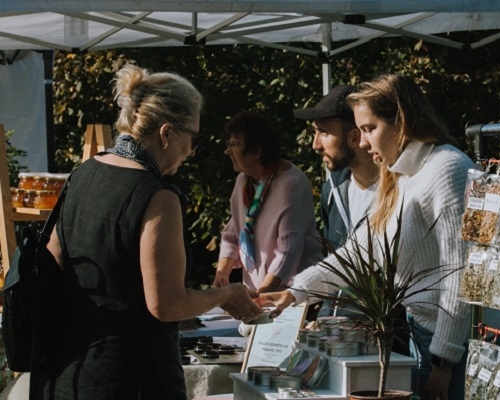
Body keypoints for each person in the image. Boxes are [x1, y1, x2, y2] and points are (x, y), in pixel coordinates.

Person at [259, 74, 500, 400]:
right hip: (426, 337)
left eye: (369, 128)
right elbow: (361, 252)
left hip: (464, 344)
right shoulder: (400, 175)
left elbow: (461, 274)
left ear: (401, 122)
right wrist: (295, 292)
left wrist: (444, 361)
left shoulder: (447, 168)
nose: (361, 141)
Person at [32, 64, 263, 400]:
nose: (191, 151)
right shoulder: (158, 196)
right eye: (192, 138)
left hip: (68, 370)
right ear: (167, 133)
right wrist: (225, 296)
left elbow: (53, 262)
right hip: (131, 377)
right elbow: (167, 304)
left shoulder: (81, 175)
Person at [213, 110, 323, 294]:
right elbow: (234, 230)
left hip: (294, 296)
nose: (227, 151)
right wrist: (222, 272)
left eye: (234, 145)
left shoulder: (291, 184)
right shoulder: (244, 181)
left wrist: (262, 296)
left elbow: (288, 251)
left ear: (257, 151)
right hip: (261, 293)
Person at [294, 85, 379, 318]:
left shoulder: (398, 192)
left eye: (323, 132)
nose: (315, 144)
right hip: (339, 333)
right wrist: (324, 320)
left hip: (391, 339)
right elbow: (331, 262)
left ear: (354, 136)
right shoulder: (331, 190)